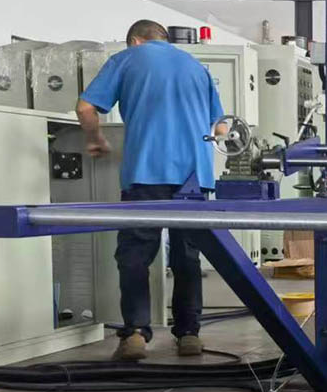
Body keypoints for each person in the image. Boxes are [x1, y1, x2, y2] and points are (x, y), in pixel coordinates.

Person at [77, 20, 225, 361]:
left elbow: (85, 107)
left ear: (135, 41)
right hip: (194, 174)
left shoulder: (127, 59)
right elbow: (221, 126)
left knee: (135, 254)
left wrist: (95, 139)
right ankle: (189, 334)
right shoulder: (196, 66)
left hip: (147, 170)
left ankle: (135, 334)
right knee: (187, 255)